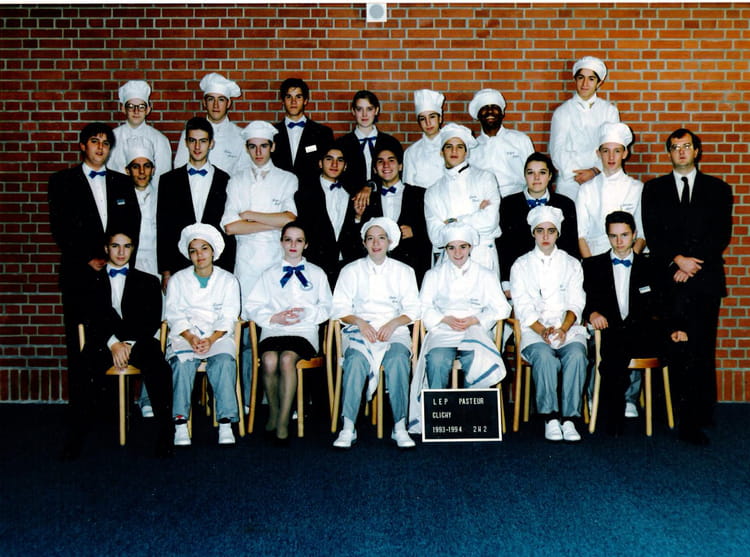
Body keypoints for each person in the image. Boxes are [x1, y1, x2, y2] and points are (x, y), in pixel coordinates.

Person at [641, 128, 733, 445]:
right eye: (675, 147)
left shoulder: (718, 189)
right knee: (674, 346)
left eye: (686, 146)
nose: (681, 151)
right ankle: (674, 415)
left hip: (704, 280)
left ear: (697, 151)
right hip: (669, 279)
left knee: (701, 348)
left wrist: (692, 264)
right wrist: (678, 260)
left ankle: (699, 415)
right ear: (669, 152)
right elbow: (653, 233)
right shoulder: (654, 189)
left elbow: (720, 235)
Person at [48, 122, 141, 405]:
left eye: (105, 143)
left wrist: (116, 259)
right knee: (81, 342)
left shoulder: (122, 182)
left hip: (114, 273)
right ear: (82, 145)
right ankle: (82, 410)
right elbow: (60, 227)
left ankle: (114, 408)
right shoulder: (62, 181)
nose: (100, 147)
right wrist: (87, 258)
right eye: (94, 141)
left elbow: (132, 225)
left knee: (114, 336)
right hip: (79, 273)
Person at [67, 229, 173, 459]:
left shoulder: (149, 281)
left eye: (127, 246)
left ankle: (166, 432)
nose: (121, 252)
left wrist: (129, 344)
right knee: (83, 367)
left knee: (159, 366)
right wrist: (113, 343)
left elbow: (151, 320)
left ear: (133, 249)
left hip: (139, 341)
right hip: (104, 341)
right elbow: (91, 318)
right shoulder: (91, 281)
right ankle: (76, 436)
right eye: (115, 246)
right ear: (106, 249)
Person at [220, 120, 298, 412]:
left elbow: (290, 219)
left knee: (279, 331)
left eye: (263, 146)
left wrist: (251, 215)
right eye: (252, 147)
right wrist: (273, 222)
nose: (258, 152)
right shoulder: (236, 180)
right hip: (247, 265)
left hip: (278, 262)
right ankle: (247, 400)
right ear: (246, 148)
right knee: (246, 337)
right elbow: (230, 227)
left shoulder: (287, 179)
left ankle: (279, 402)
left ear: (272, 147)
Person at [407, 222, 511, 434]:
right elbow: (423, 307)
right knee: (437, 360)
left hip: (475, 329)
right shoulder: (433, 275)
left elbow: (502, 308)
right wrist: (444, 319)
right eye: (451, 247)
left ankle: (472, 419)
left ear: (470, 247)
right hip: (443, 329)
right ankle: (437, 419)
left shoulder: (486, 274)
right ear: (445, 249)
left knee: (478, 358)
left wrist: (477, 319)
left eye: (462, 247)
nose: (457, 253)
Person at [331, 217, 420, 449]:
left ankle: (399, 426)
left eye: (381, 238)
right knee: (355, 360)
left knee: (398, 359)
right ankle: (348, 426)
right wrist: (360, 322)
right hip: (360, 330)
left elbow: (413, 309)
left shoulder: (404, 271)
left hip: (395, 331)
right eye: (370, 238)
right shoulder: (350, 270)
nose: (376, 243)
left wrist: (393, 323)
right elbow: (339, 308)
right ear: (364, 243)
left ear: (390, 241)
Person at [244, 222, 333, 443]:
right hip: (274, 329)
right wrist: (274, 317)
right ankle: (274, 412)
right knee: (269, 359)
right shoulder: (269, 274)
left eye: (299, 240)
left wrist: (306, 313)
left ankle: (283, 421)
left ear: (306, 244)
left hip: (304, 330)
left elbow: (328, 307)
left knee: (286, 359)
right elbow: (253, 306)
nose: (293, 245)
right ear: (281, 242)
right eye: (288, 240)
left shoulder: (317, 273)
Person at [510, 205, 588, 442]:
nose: (545, 236)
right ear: (533, 233)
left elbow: (576, 302)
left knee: (577, 355)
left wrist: (563, 329)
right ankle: (550, 417)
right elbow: (522, 306)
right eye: (540, 230)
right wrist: (542, 330)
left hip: (567, 328)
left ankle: (570, 419)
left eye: (551, 231)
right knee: (544, 357)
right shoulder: (521, 265)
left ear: (558, 233)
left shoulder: (572, 263)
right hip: (535, 330)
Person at [582, 211, 662, 435]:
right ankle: (614, 415)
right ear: (607, 236)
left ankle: (617, 413)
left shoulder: (650, 266)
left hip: (640, 333)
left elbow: (660, 303)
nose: (619, 241)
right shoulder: (593, 265)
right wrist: (592, 313)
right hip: (611, 332)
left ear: (634, 235)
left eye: (624, 235)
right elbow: (584, 300)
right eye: (613, 236)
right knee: (614, 348)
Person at [166, 223, 242, 446]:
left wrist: (210, 339)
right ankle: (180, 423)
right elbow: (174, 314)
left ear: (213, 251)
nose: (199, 255)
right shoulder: (178, 280)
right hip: (186, 337)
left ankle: (225, 423)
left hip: (217, 337)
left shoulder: (228, 280)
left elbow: (229, 316)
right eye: (193, 250)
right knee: (181, 365)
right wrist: (191, 338)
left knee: (224, 363)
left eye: (204, 249)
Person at [157, 117, 235, 290]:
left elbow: (228, 230)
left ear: (211, 143)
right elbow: (164, 228)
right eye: (192, 141)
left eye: (203, 141)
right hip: (179, 264)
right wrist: (166, 271)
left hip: (217, 266)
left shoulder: (225, 180)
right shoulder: (168, 180)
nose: (197, 147)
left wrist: (228, 269)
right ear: (186, 143)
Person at [344, 137, 432, 285]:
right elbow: (354, 239)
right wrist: (358, 216)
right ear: (374, 169)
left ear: (400, 166)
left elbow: (433, 230)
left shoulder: (419, 194)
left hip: (411, 268)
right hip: (377, 271)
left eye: (391, 160)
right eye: (380, 161)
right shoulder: (367, 197)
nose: (386, 165)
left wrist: (415, 231)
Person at [498, 152, 579, 299]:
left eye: (542, 172)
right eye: (531, 173)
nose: (536, 178)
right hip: (520, 277)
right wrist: (506, 282)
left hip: (555, 277)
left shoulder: (565, 204)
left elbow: (570, 245)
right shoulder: (508, 204)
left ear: (550, 176)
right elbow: (503, 246)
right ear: (524, 175)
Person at [424, 122, 501, 272]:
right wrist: (476, 215)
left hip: (482, 255)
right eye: (449, 146)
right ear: (441, 152)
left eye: (459, 147)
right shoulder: (432, 192)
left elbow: (490, 221)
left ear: (466, 152)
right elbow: (436, 237)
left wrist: (453, 221)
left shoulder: (485, 178)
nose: (454, 151)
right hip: (450, 260)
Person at [549, 56, 620, 201]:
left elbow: (612, 148)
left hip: (600, 177)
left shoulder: (609, 111)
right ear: (575, 79)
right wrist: (576, 173)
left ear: (599, 82)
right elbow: (556, 151)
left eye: (591, 79)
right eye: (581, 78)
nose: (585, 84)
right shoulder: (562, 112)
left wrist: (594, 170)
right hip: (569, 182)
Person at [294, 141, 359, 287]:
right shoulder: (304, 193)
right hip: (315, 265)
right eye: (329, 159)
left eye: (340, 160)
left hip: (343, 266)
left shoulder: (351, 193)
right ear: (320, 163)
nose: (334, 164)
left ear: (345, 166)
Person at [576, 121, 646, 259]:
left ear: (625, 153)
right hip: (595, 257)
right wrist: (591, 265)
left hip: (629, 257)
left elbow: (642, 234)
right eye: (606, 151)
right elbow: (580, 235)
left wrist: (631, 262)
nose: (611, 157)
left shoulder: (637, 188)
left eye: (617, 151)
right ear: (598, 153)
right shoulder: (586, 190)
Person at [173, 72, 249, 176]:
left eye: (221, 100)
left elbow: (244, 174)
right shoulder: (190, 133)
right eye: (211, 99)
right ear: (204, 103)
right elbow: (179, 169)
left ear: (228, 103)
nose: (215, 105)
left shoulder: (241, 137)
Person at [468, 88, 534, 199]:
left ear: (502, 113)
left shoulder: (520, 140)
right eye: (484, 108)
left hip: (518, 199)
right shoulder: (472, 147)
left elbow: (534, 172)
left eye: (494, 107)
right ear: (478, 115)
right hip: (485, 201)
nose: (490, 111)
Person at [271, 77, 335, 188]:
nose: (293, 102)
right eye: (289, 97)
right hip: (279, 193)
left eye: (298, 97)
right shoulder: (271, 133)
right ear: (282, 100)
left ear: (305, 100)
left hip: (311, 194)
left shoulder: (323, 133)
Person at [107, 80, 172, 187]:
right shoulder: (112, 137)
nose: (136, 111)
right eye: (131, 106)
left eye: (141, 107)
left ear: (148, 109)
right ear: (123, 109)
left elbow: (162, 177)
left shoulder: (160, 140)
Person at [338, 90, 399, 197]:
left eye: (369, 109)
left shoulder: (390, 142)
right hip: (351, 199)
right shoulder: (342, 144)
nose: (364, 114)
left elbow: (397, 175)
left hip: (385, 199)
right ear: (353, 111)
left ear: (376, 110)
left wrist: (372, 186)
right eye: (359, 109)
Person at [402, 89, 446, 190]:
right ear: (418, 122)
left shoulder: (453, 146)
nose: (428, 123)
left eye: (432, 117)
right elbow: (409, 188)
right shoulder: (411, 152)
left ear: (440, 118)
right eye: (423, 118)